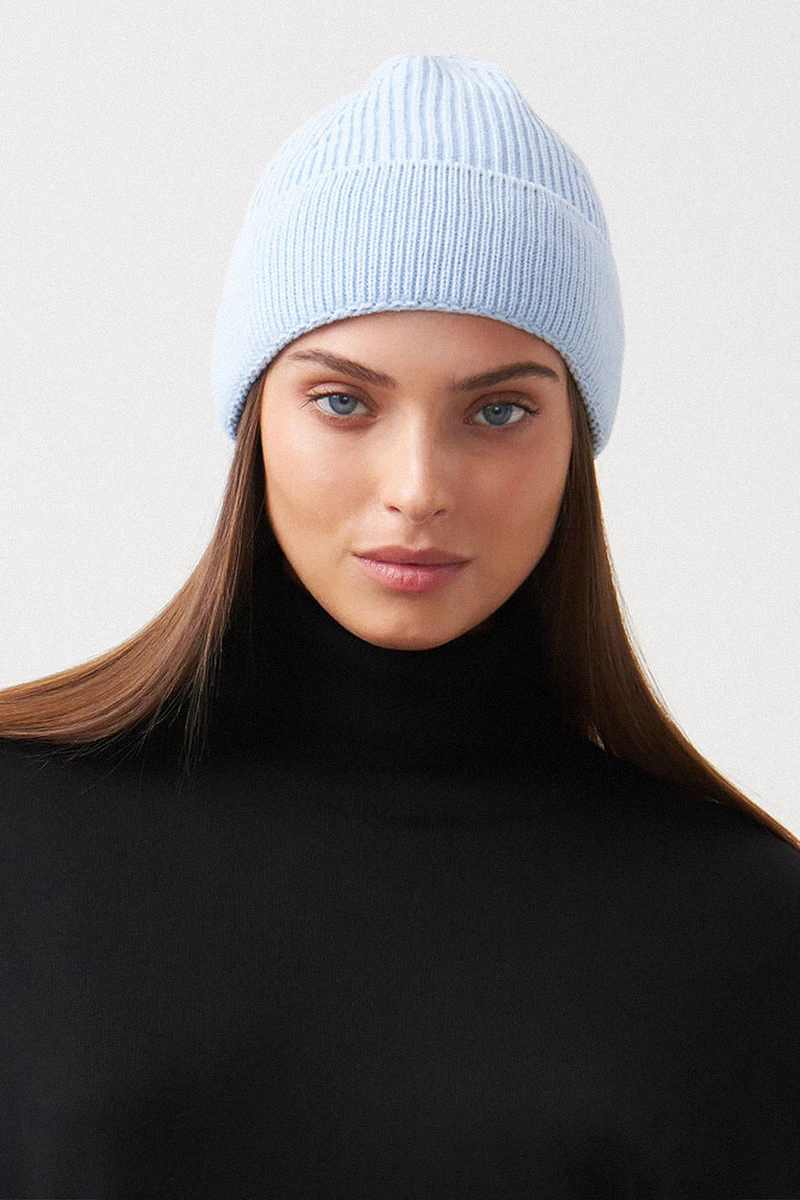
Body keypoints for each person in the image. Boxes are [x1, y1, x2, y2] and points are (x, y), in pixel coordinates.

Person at [0, 53, 797, 1200]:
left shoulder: (740, 924)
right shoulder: (24, 841)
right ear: (256, 416)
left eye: (497, 410)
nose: (417, 487)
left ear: (573, 441)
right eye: (343, 401)